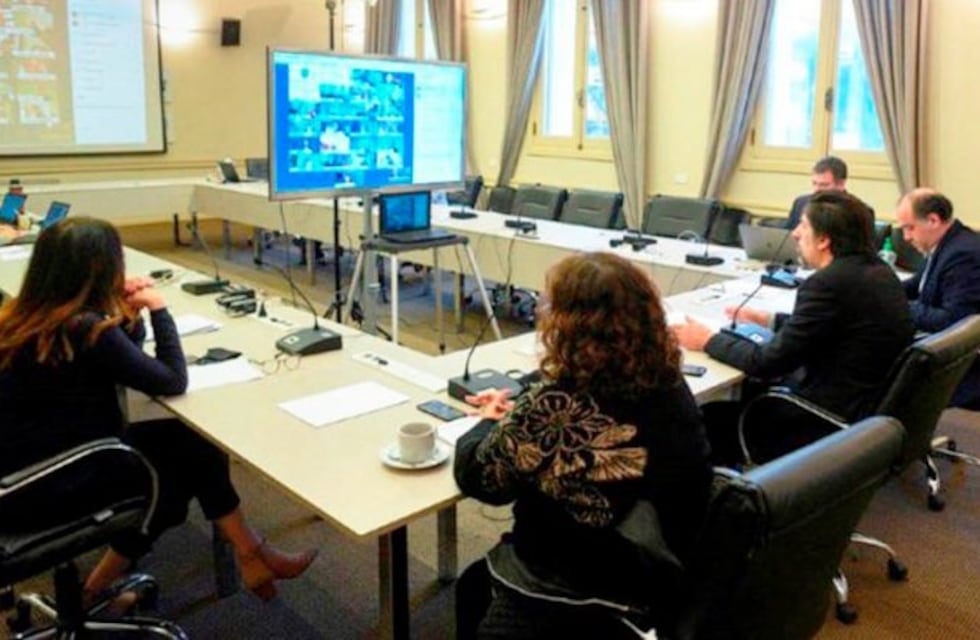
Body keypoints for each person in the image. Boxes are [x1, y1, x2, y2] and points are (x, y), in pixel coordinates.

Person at [0, 218, 317, 606]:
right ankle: (95, 594)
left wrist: (124, 314)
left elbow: (124, 360)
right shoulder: (85, 327)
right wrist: (158, 309)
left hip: (21, 470)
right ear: (101, 268)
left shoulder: (25, 315)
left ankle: (249, 551)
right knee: (175, 477)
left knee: (185, 437)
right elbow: (171, 380)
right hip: (48, 483)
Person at [454, 251, 712, 639]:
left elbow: (478, 477)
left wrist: (490, 420)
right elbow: (566, 389)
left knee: (472, 587)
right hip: (661, 563)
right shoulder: (666, 379)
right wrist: (524, 396)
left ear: (568, 325)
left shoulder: (558, 405)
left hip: (579, 580)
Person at [673, 191, 914, 464]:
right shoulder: (878, 271)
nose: (796, 233)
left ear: (823, 240)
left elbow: (765, 363)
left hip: (820, 421)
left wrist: (707, 339)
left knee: (701, 418)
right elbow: (830, 327)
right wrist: (769, 320)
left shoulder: (827, 284)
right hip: (863, 413)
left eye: (803, 225)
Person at [896, 188, 980, 408]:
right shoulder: (947, 244)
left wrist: (900, 306)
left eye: (909, 228)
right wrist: (881, 290)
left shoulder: (963, 254)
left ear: (933, 220)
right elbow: (918, 285)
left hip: (964, 368)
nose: (906, 237)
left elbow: (954, 321)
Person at [786, 155, 869, 229]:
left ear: (841, 184)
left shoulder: (859, 213)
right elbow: (788, 236)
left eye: (823, 185)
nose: (816, 189)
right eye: (814, 183)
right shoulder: (800, 203)